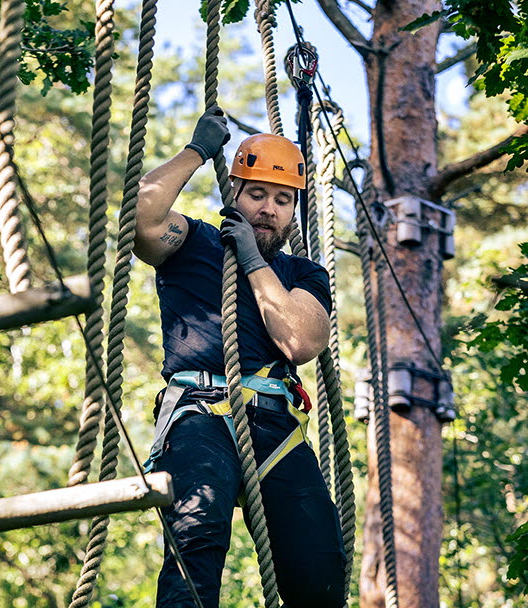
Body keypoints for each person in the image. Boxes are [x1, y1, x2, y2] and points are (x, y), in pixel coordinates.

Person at [135, 106, 347, 608]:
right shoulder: (192, 241)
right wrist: (196, 151)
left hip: (275, 425)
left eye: (281, 200)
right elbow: (140, 222)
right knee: (196, 536)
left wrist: (252, 258)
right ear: (234, 194)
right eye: (256, 195)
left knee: (319, 568)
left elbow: (300, 342)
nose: (268, 209)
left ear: (294, 211)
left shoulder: (305, 273)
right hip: (200, 413)